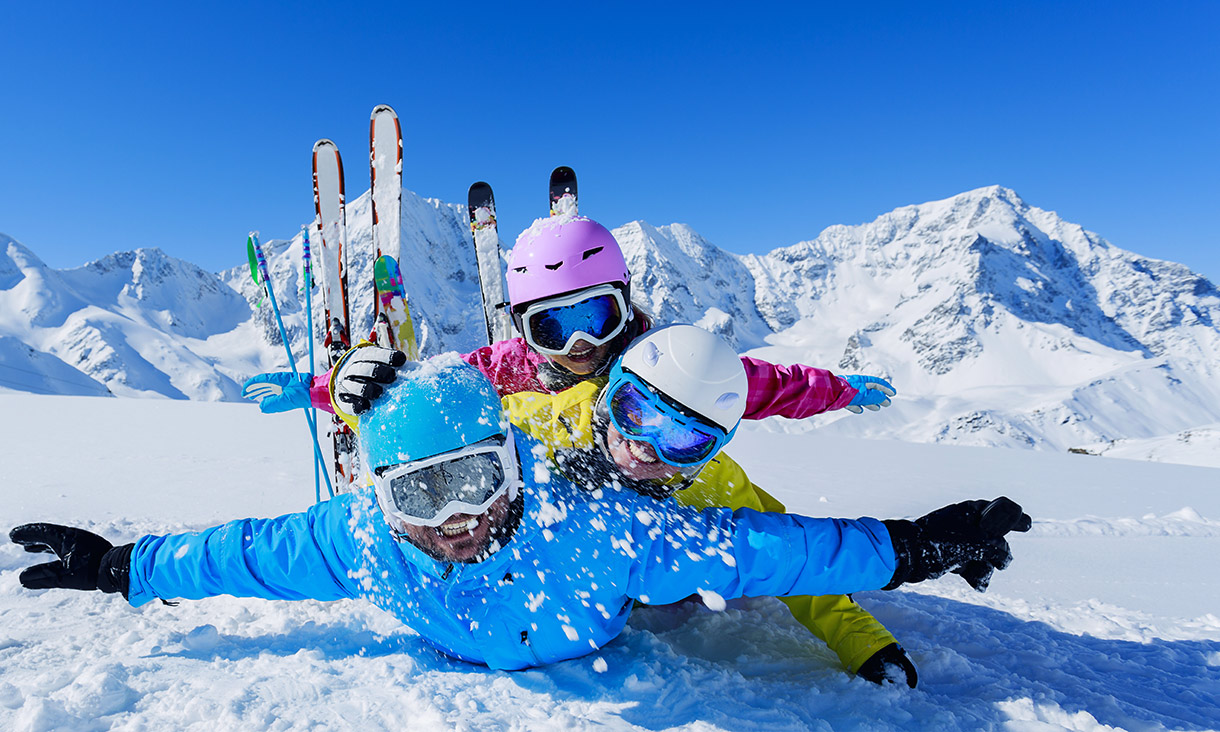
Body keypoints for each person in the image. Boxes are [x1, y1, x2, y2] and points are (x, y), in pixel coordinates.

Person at [12, 359, 1029, 672]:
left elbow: (767, 549)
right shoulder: (359, 539)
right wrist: (121, 568)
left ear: (516, 468)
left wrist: (915, 548)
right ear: (378, 499)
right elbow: (241, 556)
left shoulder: (596, 528)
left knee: (694, 557)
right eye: (420, 493)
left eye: (475, 483)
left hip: (605, 614)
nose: (455, 519)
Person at [331, 328, 921, 684]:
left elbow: (788, 557)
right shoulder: (541, 423)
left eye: (684, 440)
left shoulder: (716, 486)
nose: (644, 447)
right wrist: (343, 390)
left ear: (710, 452)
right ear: (611, 391)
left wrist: (861, 639)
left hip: (662, 581)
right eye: (637, 413)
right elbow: (438, 429)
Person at [245, 214, 897, 422]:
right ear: (523, 328)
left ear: (627, 299)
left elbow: (760, 383)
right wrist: (319, 389)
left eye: (596, 315)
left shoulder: (659, 364)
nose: (582, 342)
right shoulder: (508, 369)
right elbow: (417, 389)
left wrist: (839, 390)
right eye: (553, 327)